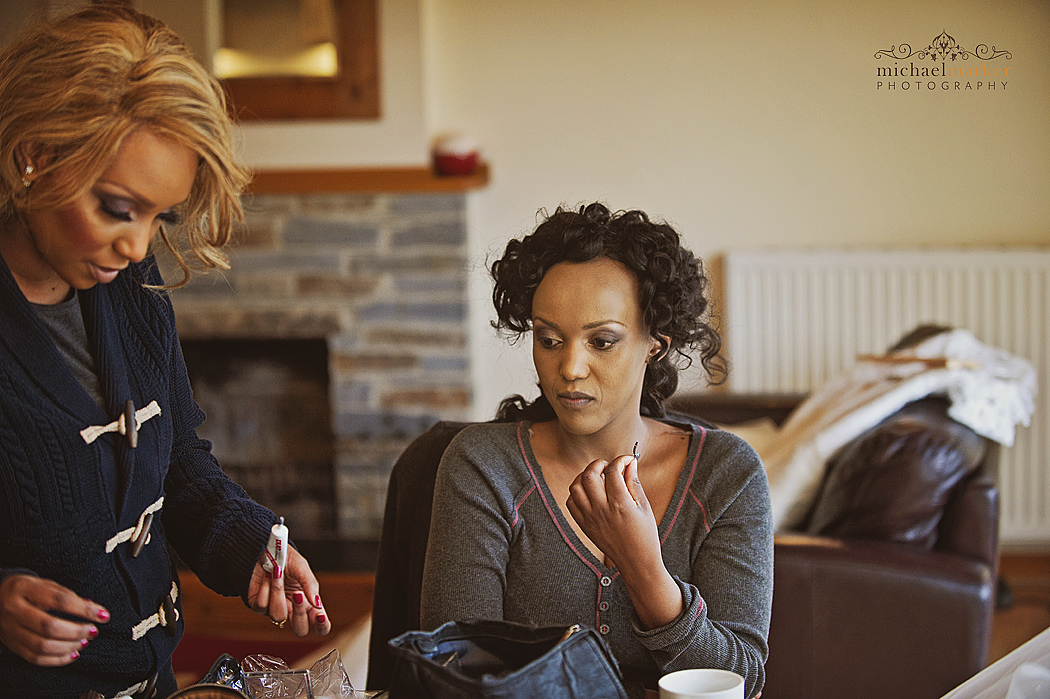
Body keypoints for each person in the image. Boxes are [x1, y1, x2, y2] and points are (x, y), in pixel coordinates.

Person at [0, 6, 330, 696]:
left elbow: (175, 459)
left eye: (160, 216)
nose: (139, 246)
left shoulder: (131, 285)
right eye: (119, 207)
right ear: (33, 156)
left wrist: (252, 547)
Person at [419, 203, 773, 699]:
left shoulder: (727, 475)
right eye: (549, 339)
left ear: (655, 343)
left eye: (602, 341)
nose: (570, 368)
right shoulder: (483, 467)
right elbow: (454, 671)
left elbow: (743, 678)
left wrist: (643, 565)